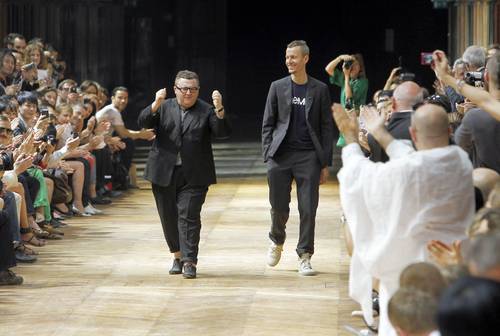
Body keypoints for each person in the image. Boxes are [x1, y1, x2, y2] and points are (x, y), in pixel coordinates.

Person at [332, 102, 474, 335]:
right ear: (450, 132)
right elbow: (412, 159)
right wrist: (379, 132)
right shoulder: (461, 161)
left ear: (412, 133)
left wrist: (350, 138)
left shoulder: (407, 172)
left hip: (410, 273)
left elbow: (360, 176)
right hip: (454, 265)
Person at [138, 70, 230, 279]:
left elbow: (221, 132)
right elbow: (143, 122)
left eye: (193, 89)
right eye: (184, 88)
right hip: (163, 171)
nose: (188, 93)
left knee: (188, 216)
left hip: (194, 174)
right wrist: (155, 103)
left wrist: (219, 109)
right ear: (175, 89)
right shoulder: (164, 106)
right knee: (168, 216)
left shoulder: (206, 110)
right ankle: (177, 256)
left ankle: (190, 261)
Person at [262, 40, 334, 276]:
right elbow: (268, 123)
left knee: (308, 208)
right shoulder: (277, 86)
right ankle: (277, 239)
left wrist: (325, 163)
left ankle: (305, 255)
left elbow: (326, 128)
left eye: (293, 57)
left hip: (308, 156)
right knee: (279, 207)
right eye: (287, 57)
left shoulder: (320, 89)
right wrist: (268, 155)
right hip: (280, 155)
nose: (289, 61)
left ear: (305, 59)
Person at [325, 53, 368, 147]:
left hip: (355, 122)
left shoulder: (363, 82)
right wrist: (339, 58)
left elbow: (349, 97)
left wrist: (347, 76)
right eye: (351, 63)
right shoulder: (344, 78)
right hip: (344, 121)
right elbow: (328, 69)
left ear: (360, 67)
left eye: (355, 64)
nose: (352, 67)